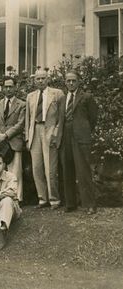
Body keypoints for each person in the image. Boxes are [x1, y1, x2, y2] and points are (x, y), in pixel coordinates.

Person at [60, 71, 98, 214]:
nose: (71, 83)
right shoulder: (63, 99)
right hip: (66, 137)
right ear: (65, 82)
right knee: (67, 169)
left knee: (83, 171)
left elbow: (93, 118)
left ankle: (89, 204)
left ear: (79, 81)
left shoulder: (86, 97)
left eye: (73, 80)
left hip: (81, 138)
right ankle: (71, 203)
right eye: (68, 80)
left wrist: (84, 132)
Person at [25, 70, 64, 209]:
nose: (40, 81)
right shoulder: (30, 96)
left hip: (50, 131)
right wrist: (27, 137)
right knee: (37, 167)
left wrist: (56, 133)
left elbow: (61, 117)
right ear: (34, 80)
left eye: (43, 78)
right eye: (38, 79)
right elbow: (27, 118)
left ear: (48, 79)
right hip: (35, 131)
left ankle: (54, 199)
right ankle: (42, 199)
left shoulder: (57, 93)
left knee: (50, 168)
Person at [0, 76, 25, 203]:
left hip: (14, 141)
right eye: (6, 87)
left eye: (11, 86)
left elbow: (20, 124)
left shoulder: (22, 104)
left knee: (15, 172)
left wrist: (7, 134)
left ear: (15, 87)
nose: (8, 89)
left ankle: (16, 198)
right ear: (2, 88)